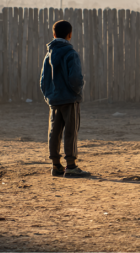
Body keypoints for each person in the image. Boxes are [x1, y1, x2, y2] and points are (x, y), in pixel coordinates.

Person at [40, 20, 90, 178]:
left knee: (54, 132)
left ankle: (56, 165)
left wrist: (49, 96)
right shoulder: (71, 53)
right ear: (70, 34)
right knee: (70, 132)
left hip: (54, 101)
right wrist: (77, 92)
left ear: (54, 34)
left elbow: (43, 81)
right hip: (69, 99)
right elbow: (75, 78)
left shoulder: (49, 55)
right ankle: (71, 166)